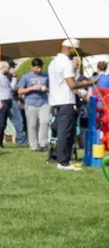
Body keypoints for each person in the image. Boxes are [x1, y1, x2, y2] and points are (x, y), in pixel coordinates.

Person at [49, 40, 92, 170]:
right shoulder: (66, 64)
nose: (77, 54)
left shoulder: (53, 62)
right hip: (66, 100)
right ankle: (63, 162)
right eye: (76, 50)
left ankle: (65, 159)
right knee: (65, 132)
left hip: (56, 100)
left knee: (65, 131)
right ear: (69, 49)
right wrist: (88, 83)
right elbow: (72, 84)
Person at [15, 58, 49, 153]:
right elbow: (19, 91)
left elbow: (51, 88)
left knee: (45, 122)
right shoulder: (26, 77)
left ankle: (43, 143)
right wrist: (32, 88)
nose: (39, 70)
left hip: (44, 103)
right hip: (30, 103)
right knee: (32, 125)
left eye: (40, 68)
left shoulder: (46, 76)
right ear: (32, 67)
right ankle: (33, 145)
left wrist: (47, 89)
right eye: (37, 68)